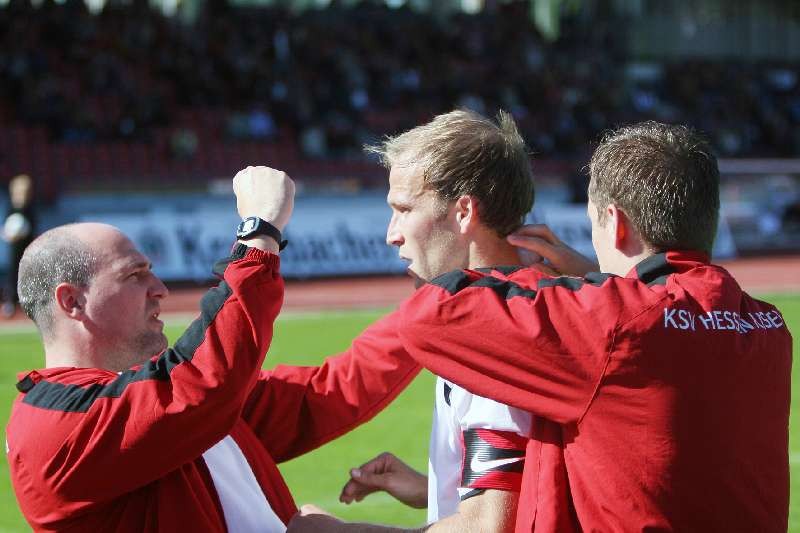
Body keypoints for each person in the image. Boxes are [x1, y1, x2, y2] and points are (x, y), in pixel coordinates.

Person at [389, 122, 792, 531]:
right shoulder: (768, 327)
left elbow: (429, 316)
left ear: (615, 223)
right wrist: (594, 279)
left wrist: (563, 284)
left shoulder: (612, 323)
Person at [7, 166, 422, 532]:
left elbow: (327, 392)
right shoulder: (52, 428)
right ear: (72, 301)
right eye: (135, 275)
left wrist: (432, 306)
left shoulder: (168, 400)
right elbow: (203, 383)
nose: (160, 289)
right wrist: (259, 233)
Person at [289, 108, 563, 533]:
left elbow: (489, 528)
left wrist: (334, 532)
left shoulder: (493, 331)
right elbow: (529, 488)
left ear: (464, 212)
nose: (391, 234)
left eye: (404, 209)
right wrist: (435, 488)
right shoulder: (532, 302)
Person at [2, 173, 36, 318]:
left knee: (27, 274)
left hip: (26, 247)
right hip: (14, 248)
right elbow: (7, 227)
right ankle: (10, 303)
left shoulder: (29, 209)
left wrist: (23, 233)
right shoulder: (11, 208)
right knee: (13, 274)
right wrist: (8, 234)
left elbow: (31, 227)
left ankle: (28, 303)